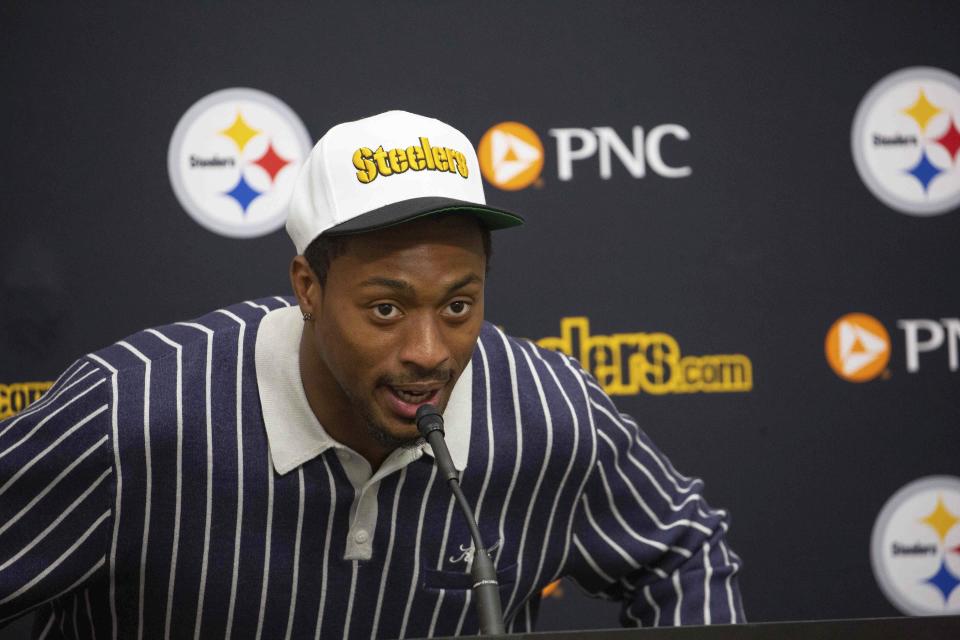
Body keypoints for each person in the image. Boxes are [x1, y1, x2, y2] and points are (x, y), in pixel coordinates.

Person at [0, 110, 744, 638]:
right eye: (386, 309)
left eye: (459, 304)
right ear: (307, 287)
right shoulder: (131, 414)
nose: (430, 350)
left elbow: (683, 547)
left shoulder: (548, 411)